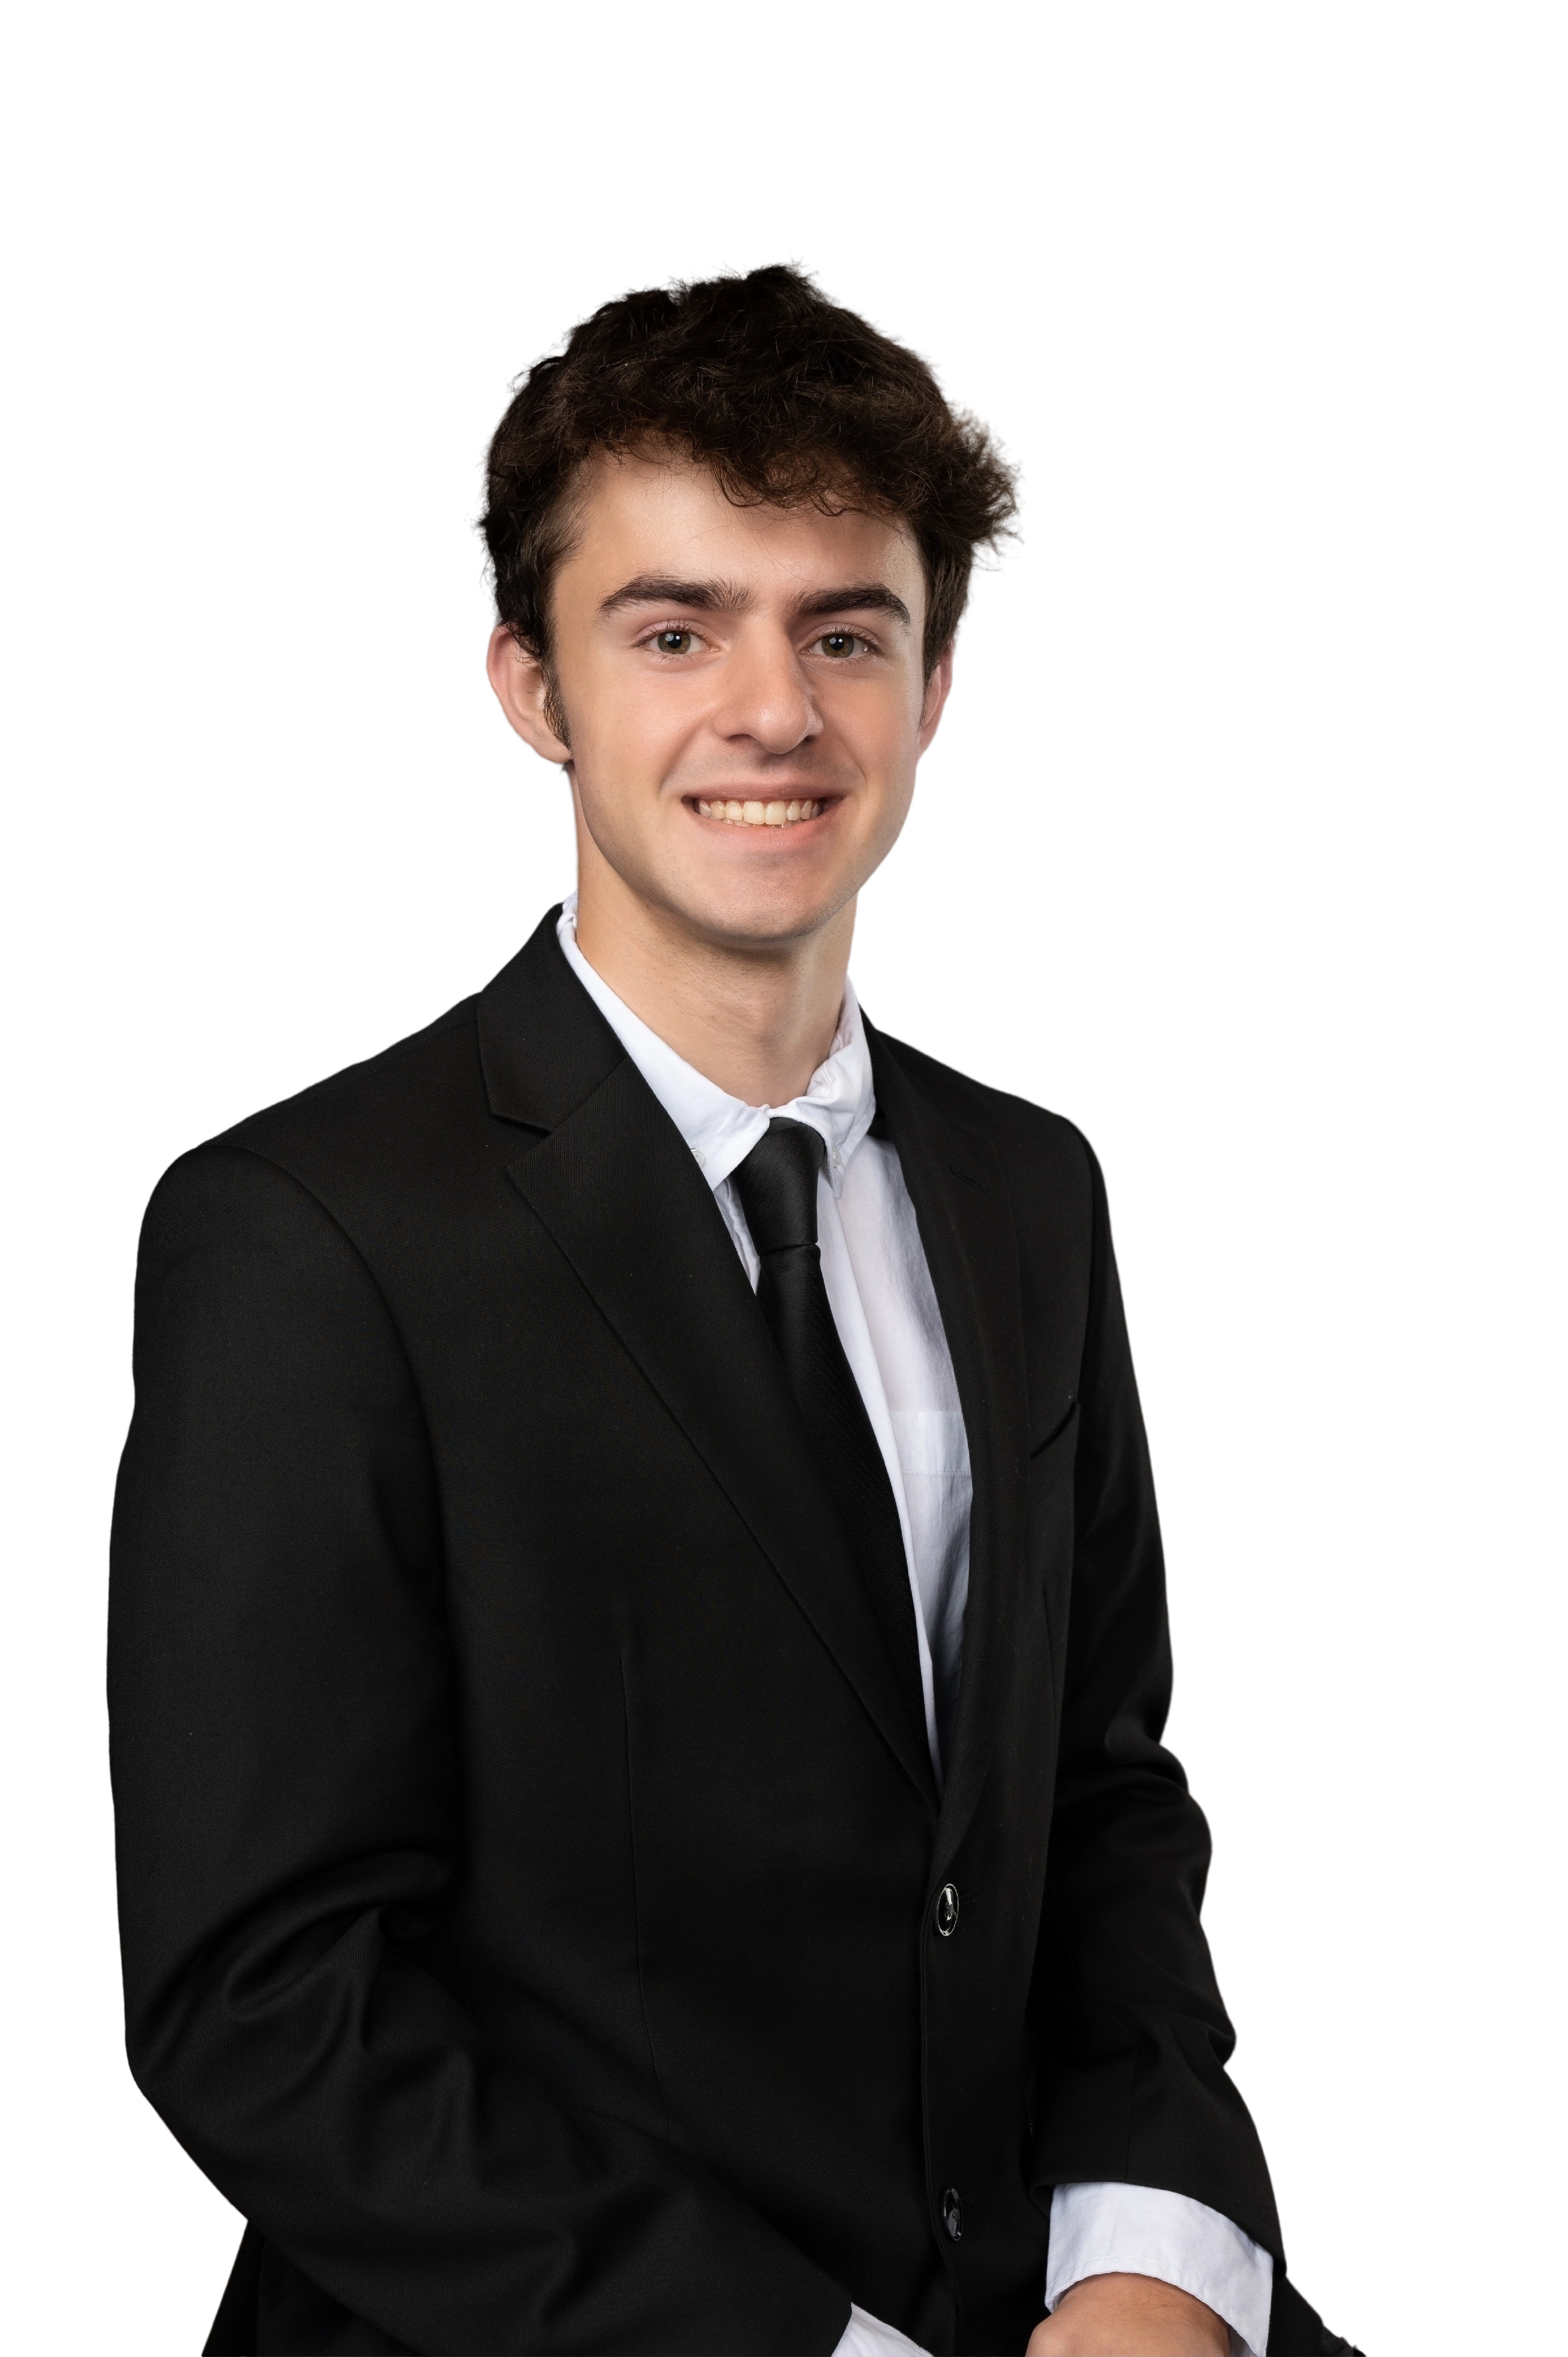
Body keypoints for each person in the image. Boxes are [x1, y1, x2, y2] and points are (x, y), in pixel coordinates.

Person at [106, 255, 1363, 2357]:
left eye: (843, 634)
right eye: (673, 630)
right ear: (532, 689)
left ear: (931, 692)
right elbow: (262, 2007)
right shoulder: (305, 1233)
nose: (772, 712)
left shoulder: (1028, 1187)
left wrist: (1154, 2249)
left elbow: (1098, 1798)